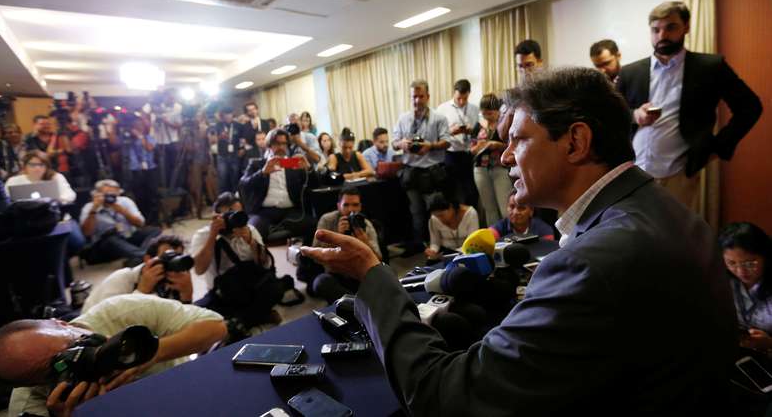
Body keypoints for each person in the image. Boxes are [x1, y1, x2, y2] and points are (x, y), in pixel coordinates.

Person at [302, 67, 736, 416]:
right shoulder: (670, 210)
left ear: (576, 142)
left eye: (518, 139)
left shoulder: (591, 262)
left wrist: (373, 276)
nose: (505, 155)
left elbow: (444, 397)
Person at [617, 1, 762, 210]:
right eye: (655, 30)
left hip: (678, 175)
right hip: (631, 175)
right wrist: (634, 115)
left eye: (671, 27)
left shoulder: (710, 67)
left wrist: (717, 148)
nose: (662, 35)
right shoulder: (630, 72)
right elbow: (611, 115)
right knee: (636, 239)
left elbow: (750, 107)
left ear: (686, 27)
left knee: (673, 239)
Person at [0, 294, 226, 417]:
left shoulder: (120, 312)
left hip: (187, 396)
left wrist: (153, 353)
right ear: (31, 384)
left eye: (75, 343)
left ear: (62, 322)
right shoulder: (30, 407)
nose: (80, 357)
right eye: (59, 365)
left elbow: (216, 328)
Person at [190, 192, 286, 336]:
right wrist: (212, 235)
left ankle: (241, 321)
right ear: (216, 216)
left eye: (238, 213)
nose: (234, 218)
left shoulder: (249, 229)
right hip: (223, 291)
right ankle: (257, 316)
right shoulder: (202, 235)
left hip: (250, 284)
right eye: (229, 214)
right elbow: (199, 270)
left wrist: (251, 242)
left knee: (275, 287)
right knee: (198, 313)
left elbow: (265, 265)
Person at [391, 79, 451, 253]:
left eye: (421, 96)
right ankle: (422, 249)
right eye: (414, 97)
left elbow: (447, 142)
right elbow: (393, 143)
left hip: (433, 172)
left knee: (436, 211)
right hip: (411, 173)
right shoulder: (403, 118)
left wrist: (430, 146)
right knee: (416, 214)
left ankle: (441, 247)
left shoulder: (439, 118)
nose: (417, 100)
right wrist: (401, 144)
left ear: (428, 96)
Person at [239, 129, 316, 245]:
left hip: (291, 211)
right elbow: (243, 185)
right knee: (252, 232)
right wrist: (262, 172)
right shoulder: (257, 163)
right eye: (276, 143)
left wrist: (309, 169)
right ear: (269, 146)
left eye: (284, 143)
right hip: (264, 212)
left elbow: (315, 184)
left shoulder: (293, 164)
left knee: (313, 225)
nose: (280, 147)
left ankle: (305, 259)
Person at [81, 235, 191, 312]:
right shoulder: (122, 278)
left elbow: (183, 320)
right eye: (168, 257)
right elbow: (108, 318)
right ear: (148, 259)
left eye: (178, 257)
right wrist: (142, 291)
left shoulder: (172, 281)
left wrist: (187, 295)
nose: (174, 263)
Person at [312, 187, 382, 303]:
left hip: (360, 273)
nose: (351, 210)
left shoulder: (365, 224)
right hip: (336, 272)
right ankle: (358, 305)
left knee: (385, 282)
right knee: (321, 282)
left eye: (355, 205)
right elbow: (316, 256)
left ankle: (351, 303)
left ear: (360, 207)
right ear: (339, 206)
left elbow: (378, 260)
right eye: (346, 205)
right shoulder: (327, 220)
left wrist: (365, 243)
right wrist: (337, 237)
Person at [79, 179, 161, 265]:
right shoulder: (89, 207)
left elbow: (140, 224)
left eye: (113, 194)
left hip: (127, 238)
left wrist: (123, 212)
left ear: (118, 193)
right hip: (105, 245)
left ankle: (137, 257)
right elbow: (86, 233)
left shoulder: (125, 201)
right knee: (111, 238)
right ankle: (143, 256)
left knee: (155, 231)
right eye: (106, 194)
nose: (110, 197)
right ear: (97, 194)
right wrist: (94, 211)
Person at [719, 222, 772, 351]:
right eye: (731, 263)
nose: (740, 271)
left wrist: (770, 344)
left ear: (765, 257)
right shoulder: (722, 280)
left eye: (749, 263)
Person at [436, 79, 480, 207]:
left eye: (464, 98)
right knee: (453, 191)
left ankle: (472, 220)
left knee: (471, 192)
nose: (461, 101)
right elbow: (437, 134)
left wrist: (471, 130)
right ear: (454, 93)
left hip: (469, 153)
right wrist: (451, 131)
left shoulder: (474, 108)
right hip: (451, 154)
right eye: (458, 98)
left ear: (469, 94)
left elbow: (480, 132)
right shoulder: (442, 109)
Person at [471, 93, 509, 225]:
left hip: (500, 168)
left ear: (497, 110)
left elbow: (512, 146)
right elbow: (472, 149)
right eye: (484, 112)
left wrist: (498, 145)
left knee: (505, 208)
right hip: (480, 168)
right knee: (489, 209)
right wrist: (479, 147)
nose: (487, 115)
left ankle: (510, 238)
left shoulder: (504, 124)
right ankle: (495, 240)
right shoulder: (478, 126)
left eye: (490, 112)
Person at [142, 89, 182, 188]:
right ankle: (161, 187)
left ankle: (173, 187)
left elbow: (179, 125)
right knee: (160, 166)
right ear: (165, 97)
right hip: (158, 140)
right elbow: (143, 113)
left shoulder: (178, 107)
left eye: (173, 98)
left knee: (173, 165)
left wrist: (166, 122)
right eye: (170, 98)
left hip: (173, 140)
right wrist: (148, 122)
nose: (172, 100)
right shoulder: (155, 104)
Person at [424, 192, 479, 262]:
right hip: (445, 254)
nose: (440, 219)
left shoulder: (470, 214)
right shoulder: (434, 219)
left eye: (441, 215)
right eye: (436, 216)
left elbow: (472, 242)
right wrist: (432, 251)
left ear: (451, 207)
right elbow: (435, 242)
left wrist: (455, 253)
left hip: (467, 252)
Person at [5, 150, 76, 204]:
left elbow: (70, 195)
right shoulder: (13, 181)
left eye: (41, 165)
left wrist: (57, 200)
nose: (37, 168)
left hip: (52, 214)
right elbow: (5, 201)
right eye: (33, 165)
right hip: (23, 217)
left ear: (47, 166)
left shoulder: (56, 177)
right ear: (25, 166)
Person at [125, 118, 159, 225]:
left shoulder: (150, 138)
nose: (138, 127)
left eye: (140, 125)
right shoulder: (128, 140)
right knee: (139, 196)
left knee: (152, 195)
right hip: (136, 170)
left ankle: (154, 220)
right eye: (136, 126)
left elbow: (149, 148)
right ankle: (143, 220)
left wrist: (141, 137)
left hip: (150, 170)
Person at [489, 190, 554, 241]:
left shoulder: (544, 230)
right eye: (512, 207)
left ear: (531, 211)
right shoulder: (497, 228)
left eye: (521, 208)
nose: (515, 212)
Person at [211, 105, 245, 194]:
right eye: (225, 114)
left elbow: (242, 139)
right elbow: (212, 140)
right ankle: (223, 199)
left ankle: (235, 199)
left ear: (232, 114)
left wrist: (242, 149)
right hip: (222, 155)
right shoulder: (217, 126)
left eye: (229, 114)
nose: (228, 116)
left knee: (235, 177)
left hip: (235, 155)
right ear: (222, 116)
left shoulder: (239, 126)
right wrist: (219, 137)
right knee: (222, 178)